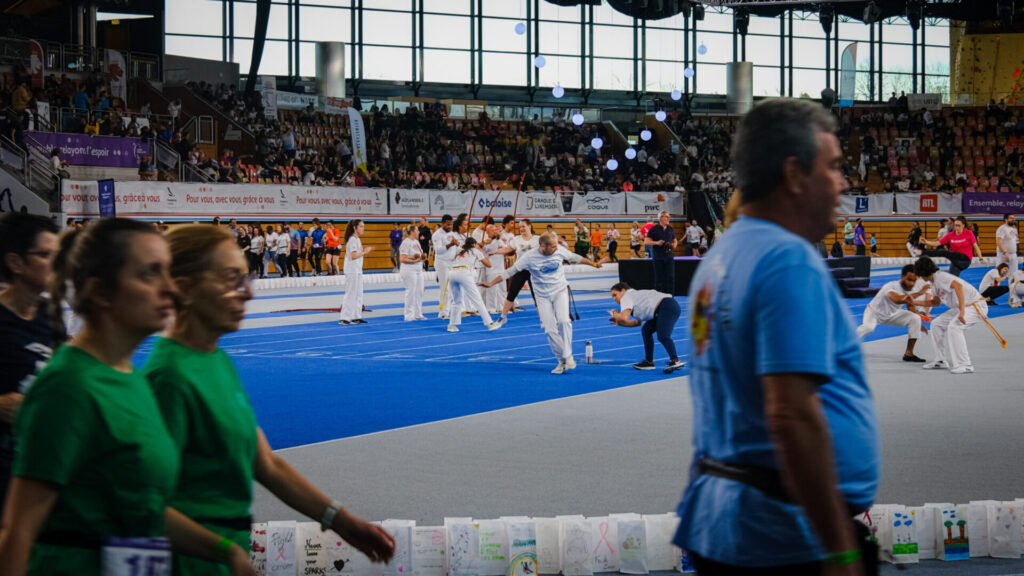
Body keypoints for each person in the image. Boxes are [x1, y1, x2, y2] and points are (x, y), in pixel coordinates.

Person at [675, 99, 879, 574]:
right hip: (785, 535)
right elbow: (790, 413)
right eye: (833, 167)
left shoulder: (721, 257)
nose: (843, 183)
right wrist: (841, 549)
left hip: (724, 513)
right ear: (794, 174)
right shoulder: (787, 260)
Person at [0, 218, 253, 576]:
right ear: (101, 291)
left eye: (167, 271)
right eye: (150, 274)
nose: (171, 289)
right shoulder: (67, 387)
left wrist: (226, 552)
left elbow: (142, 504)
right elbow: (18, 532)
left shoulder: (131, 379)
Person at [144, 225, 396, 575]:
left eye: (245, 280)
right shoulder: (168, 377)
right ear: (185, 288)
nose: (246, 294)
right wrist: (225, 553)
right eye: (231, 280)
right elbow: (144, 502)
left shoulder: (215, 360)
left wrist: (344, 523)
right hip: (193, 562)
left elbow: (265, 462)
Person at [0, 214, 59, 519]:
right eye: (46, 255)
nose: (56, 263)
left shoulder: (51, 316)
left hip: (40, 472)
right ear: (16, 263)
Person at [481, 233, 607, 374]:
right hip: (542, 296)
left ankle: (568, 355)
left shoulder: (559, 250)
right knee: (549, 329)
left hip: (560, 291)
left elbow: (576, 258)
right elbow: (509, 272)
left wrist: (594, 264)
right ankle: (561, 361)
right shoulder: (529, 257)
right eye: (552, 246)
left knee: (564, 321)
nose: (556, 248)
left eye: (556, 245)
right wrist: (491, 283)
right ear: (542, 246)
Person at [914, 256, 987, 374]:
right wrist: (914, 301)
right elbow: (935, 303)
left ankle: (965, 364)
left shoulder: (940, 277)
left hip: (975, 305)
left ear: (924, 272)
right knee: (936, 324)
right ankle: (940, 361)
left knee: (955, 327)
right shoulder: (933, 282)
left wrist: (962, 312)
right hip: (962, 307)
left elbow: (958, 287)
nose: (920, 277)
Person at [855, 265, 931, 361]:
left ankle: (909, 354)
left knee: (915, 318)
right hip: (873, 313)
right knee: (868, 327)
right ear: (902, 277)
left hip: (892, 314)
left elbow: (910, 304)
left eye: (914, 281)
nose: (912, 283)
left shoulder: (911, 289)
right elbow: (897, 299)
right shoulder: (891, 286)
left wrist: (918, 323)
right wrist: (920, 293)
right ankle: (844, 345)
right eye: (909, 280)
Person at [608, 282, 685, 373]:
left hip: (666, 306)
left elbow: (624, 317)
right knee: (646, 330)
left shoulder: (626, 297)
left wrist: (614, 313)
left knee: (663, 335)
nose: (614, 298)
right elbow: (637, 323)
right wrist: (621, 323)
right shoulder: (635, 297)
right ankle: (649, 362)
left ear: (623, 291)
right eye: (612, 296)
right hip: (665, 308)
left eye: (615, 295)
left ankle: (675, 361)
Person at [447, 238, 504, 333]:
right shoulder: (475, 251)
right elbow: (488, 265)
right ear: (474, 244)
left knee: (456, 300)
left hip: (452, 273)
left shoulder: (460, 250)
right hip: (464, 273)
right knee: (477, 299)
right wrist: (482, 253)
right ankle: (490, 324)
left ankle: (452, 325)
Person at [920, 216, 986, 276]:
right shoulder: (950, 235)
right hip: (955, 259)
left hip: (965, 259)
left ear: (963, 225)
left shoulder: (969, 233)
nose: (956, 227)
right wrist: (926, 242)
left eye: (958, 226)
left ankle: (920, 252)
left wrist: (981, 258)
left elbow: (976, 246)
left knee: (944, 252)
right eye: (955, 225)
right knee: (952, 278)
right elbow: (937, 243)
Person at [339, 220, 372, 325]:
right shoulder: (352, 240)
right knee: (350, 293)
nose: (363, 228)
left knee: (358, 294)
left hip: (357, 270)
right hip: (351, 270)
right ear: (355, 228)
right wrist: (364, 252)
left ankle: (356, 316)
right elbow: (353, 256)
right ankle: (344, 318)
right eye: (361, 226)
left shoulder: (357, 239)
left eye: (363, 226)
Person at [399, 224, 427, 321]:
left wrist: (421, 258)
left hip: (418, 269)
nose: (419, 232)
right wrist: (414, 260)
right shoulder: (406, 243)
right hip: (409, 270)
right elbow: (402, 259)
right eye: (417, 230)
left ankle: (418, 313)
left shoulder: (416, 242)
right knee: (411, 291)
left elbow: (417, 256)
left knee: (419, 292)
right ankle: (409, 315)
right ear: (412, 232)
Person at [645, 211, 678, 294]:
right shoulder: (653, 229)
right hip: (658, 257)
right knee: (658, 279)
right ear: (660, 218)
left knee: (671, 278)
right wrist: (656, 243)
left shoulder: (670, 228)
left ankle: (671, 297)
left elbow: (675, 240)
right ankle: (658, 298)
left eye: (668, 217)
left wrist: (674, 245)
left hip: (669, 257)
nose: (668, 218)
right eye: (666, 217)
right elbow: (646, 242)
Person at [432, 215, 456, 319]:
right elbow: (438, 250)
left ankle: (447, 310)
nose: (450, 226)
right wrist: (450, 245)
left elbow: (454, 248)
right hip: (442, 263)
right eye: (448, 224)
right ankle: (442, 312)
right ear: (442, 224)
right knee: (444, 288)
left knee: (451, 288)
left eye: (451, 224)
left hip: (451, 263)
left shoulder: (452, 233)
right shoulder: (437, 235)